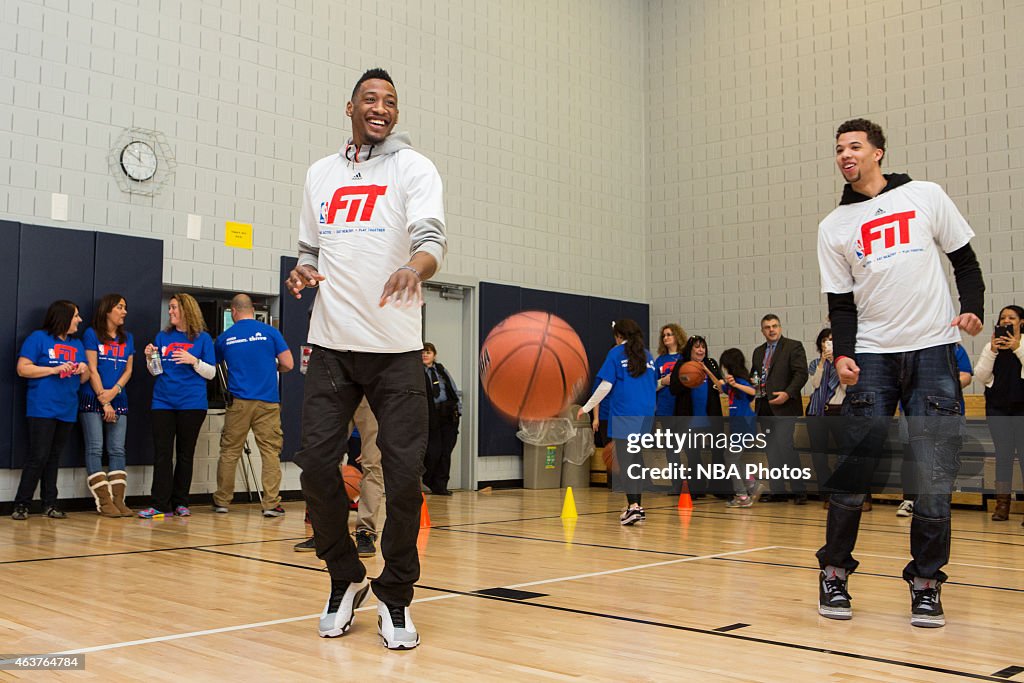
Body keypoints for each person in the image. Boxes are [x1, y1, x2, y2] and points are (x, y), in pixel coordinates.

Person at [285, 67, 446, 650]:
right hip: (331, 346)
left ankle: (396, 595)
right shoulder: (319, 175)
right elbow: (309, 248)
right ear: (349, 106)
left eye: (391, 101)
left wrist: (414, 268)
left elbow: (431, 242)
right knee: (314, 467)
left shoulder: (414, 168)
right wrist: (303, 271)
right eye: (371, 98)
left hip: (397, 351)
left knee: (404, 480)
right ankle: (345, 576)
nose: (382, 107)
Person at [815, 118, 984, 628]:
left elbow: (966, 264)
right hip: (871, 357)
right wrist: (844, 353)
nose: (846, 154)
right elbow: (840, 306)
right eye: (839, 149)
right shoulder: (833, 227)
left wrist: (972, 308)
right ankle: (834, 574)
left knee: (934, 477)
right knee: (853, 475)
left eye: (855, 147)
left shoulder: (926, 196)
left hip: (933, 350)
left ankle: (927, 584)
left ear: (878, 153)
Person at [212, 294, 294, 517]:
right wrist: (272, 368)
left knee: (230, 451)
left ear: (233, 312)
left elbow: (214, 365)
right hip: (267, 401)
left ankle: (222, 501)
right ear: (252, 309)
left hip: (238, 402)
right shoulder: (270, 332)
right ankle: (270, 504)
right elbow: (288, 363)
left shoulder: (225, 337)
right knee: (270, 452)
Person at [137, 293, 216, 519]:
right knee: (162, 454)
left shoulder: (202, 339)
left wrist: (194, 361)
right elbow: (156, 371)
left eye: (173, 307)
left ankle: (181, 502)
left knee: (185, 454)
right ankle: (160, 504)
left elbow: (211, 373)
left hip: (192, 404)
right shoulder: (163, 337)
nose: (170, 311)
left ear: (186, 310)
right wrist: (149, 358)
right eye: (170, 307)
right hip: (163, 402)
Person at [11, 300, 90, 520]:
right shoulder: (38, 339)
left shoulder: (77, 344)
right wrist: (53, 369)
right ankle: (22, 504)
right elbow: (23, 369)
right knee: (38, 456)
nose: (79, 320)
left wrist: (84, 368)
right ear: (63, 317)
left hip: (67, 408)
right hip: (42, 407)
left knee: (54, 457)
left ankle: (50, 503)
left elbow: (84, 378)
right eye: (76, 316)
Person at [578, 319, 656, 525]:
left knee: (626, 461)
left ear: (618, 336)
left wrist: (585, 407)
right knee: (636, 459)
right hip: (646, 413)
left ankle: (633, 508)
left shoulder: (616, 353)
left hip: (625, 413)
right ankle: (636, 506)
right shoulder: (647, 355)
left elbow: (604, 386)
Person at [294, 399, 386, 558]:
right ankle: (325, 533)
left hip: (371, 392)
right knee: (325, 460)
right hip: (339, 389)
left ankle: (366, 532)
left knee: (372, 464)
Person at [895, 343, 972, 517]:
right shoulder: (909, 347)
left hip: (946, 409)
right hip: (912, 411)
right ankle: (909, 499)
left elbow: (966, 376)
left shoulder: (956, 349)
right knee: (911, 456)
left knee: (943, 457)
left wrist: (939, 387)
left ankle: (938, 501)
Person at [79, 293, 135, 517]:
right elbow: (91, 368)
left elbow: (128, 370)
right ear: (107, 310)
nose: (124, 311)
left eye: (125, 307)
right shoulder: (91, 334)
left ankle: (118, 500)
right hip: (94, 399)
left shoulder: (127, 337)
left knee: (117, 450)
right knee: (94, 447)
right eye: (120, 307)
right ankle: (103, 501)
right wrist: (104, 400)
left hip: (118, 399)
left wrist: (115, 393)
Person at [973, 305, 1024, 525]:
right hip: (998, 408)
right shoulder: (990, 346)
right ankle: (1002, 505)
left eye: (1011, 317)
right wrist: (993, 351)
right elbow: (981, 375)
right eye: (1003, 317)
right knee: (1002, 455)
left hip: (1022, 408)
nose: (1006, 320)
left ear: (1021, 322)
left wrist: (1017, 348)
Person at [750, 314, 809, 503]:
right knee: (772, 450)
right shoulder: (758, 352)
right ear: (762, 331)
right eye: (767, 327)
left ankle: (799, 491)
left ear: (780, 328)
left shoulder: (793, 346)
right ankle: (778, 490)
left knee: (785, 447)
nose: (771, 330)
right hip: (764, 406)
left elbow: (801, 374)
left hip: (785, 406)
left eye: (774, 326)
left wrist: (788, 393)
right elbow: (756, 375)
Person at [669, 335, 725, 496]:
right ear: (690, 349)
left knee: (718, 454)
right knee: (693, 455)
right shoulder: (681, 365)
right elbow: (673, 389)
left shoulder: (711, 363)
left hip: (711, 417)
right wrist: (689, 379)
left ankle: (719, 488)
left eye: (703, 347)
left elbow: (721, 388)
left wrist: (706, 371)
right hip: (689, 419)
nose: (701, 350)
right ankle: (697, 487)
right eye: (697, 347)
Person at [806, 328, 844, 507]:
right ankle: (826, 494)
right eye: (824, 340)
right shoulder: (815, 363)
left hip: (839, 410)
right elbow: (815, 383)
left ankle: (841, 492)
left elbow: (846, 388)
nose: (827, 343)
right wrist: (823, 361)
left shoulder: (843, 364)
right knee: (819, 456)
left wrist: (836, 362)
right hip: (817, 411)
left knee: (843, 454)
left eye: (831, 340)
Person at [720, 347, 760, 507]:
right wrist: (707, 371)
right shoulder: (730, 384)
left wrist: (736, 384)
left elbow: (752, 391)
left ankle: (743, 495)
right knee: (731, 458)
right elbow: (720, 385)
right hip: (737, 426)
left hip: (745, 425)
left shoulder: (740, 380)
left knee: (730, 458)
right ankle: (751, 484)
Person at [421, 342, 460, 496]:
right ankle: (428, 479)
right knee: (432, 452)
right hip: (431, 416)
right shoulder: (418, 372)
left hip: (448, 415)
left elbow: (453, 389)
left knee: (446, 453)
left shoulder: (441, 370)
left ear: (434, 355)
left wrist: (459, 411)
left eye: (428, 352)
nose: (425, 355)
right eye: (422, 352)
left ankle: (441, 485)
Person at [654, 323, 686, 419]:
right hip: (664, 406)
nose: (665, 338)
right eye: (663, 336)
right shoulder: (660, 360)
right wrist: (663, 382)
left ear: (677, 336)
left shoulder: (685, 357)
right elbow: (651, 386)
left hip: (681, 405)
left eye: (669, 334)